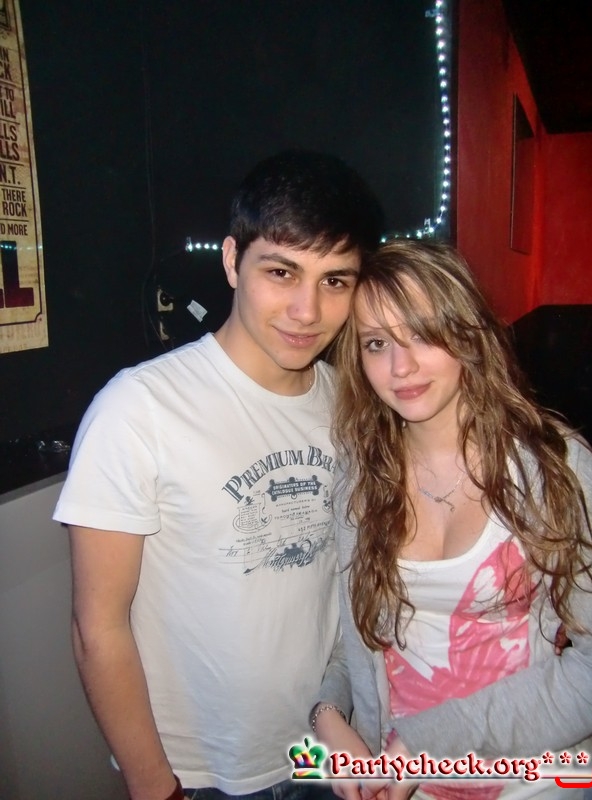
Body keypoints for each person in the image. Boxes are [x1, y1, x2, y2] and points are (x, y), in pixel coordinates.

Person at [53, 149, 384, 800]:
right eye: (282, 272)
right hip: (201, 774)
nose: (307, 310)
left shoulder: (351, 404)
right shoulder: (140, 408)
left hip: (325, 746)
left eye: (335, 281)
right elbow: (97, 626)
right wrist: (156, 786)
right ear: (233, 260)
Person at [314, 241, 592, 799]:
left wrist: (427, 743)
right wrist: (328, 714)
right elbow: (357, 636)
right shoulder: (361, 481)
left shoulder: (555, 470)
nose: (400, 367)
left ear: (469, 333)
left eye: (422, 334)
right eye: (377, 343)